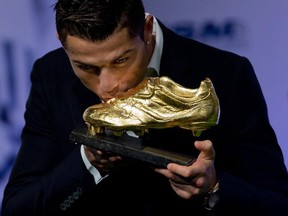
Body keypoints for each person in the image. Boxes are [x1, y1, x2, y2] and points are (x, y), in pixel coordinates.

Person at [2, 0, 288, 215]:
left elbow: (277, 202)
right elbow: (18, 208)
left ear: (147, 29)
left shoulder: (226, 74)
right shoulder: (51, 74)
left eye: (121, 60)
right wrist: (88, 163)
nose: (108, 85)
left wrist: (212, 188)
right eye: (86, 67)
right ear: (62, 44)